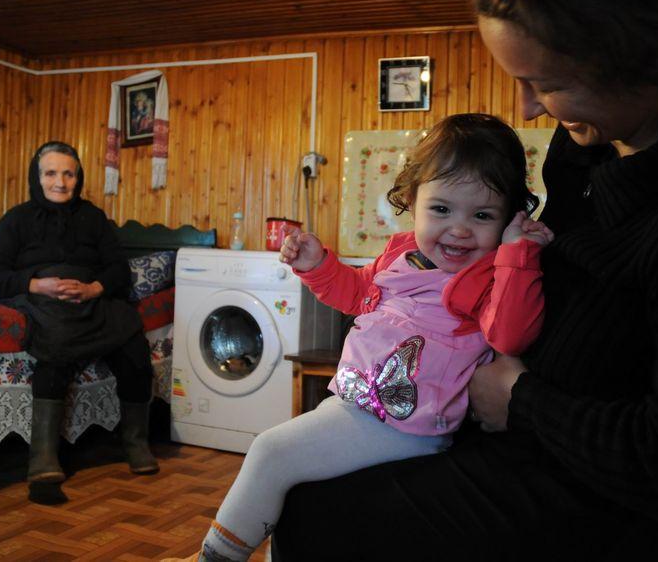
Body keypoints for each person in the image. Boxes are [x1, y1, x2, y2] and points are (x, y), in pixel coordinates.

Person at [270, 0, 658, 560]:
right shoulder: (591, 147)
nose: (529, 109)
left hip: (593, 497)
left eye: (547, 83)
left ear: (644, 58)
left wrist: (522, 400)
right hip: (505, 438)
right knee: (298, 485)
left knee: (318, 516)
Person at [180, 113, 554, 561]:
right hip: (357, 405)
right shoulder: (400, 255)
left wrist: (517, 253)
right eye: (441, 209)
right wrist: (317, 266)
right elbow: (356, 294)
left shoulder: (490, 276)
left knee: (270, 452)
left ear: (509, 218)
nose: (459, 229)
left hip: (406, 426)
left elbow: (510, 335)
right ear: (412, 201)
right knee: (300, 492)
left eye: (482, 215)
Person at [0, 141, 159, 491]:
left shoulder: (93, 218)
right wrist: (38, 285)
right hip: (41, 298)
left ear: (78, 178)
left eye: (68, 174)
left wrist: (93, 289)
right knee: (55, 340)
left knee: (133, 344)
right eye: (51, 173)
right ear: (37, 177)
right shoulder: (15, 220)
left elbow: (118, 270)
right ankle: (43, 456)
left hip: (90, 297)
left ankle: (135, 443)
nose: (60, 182)